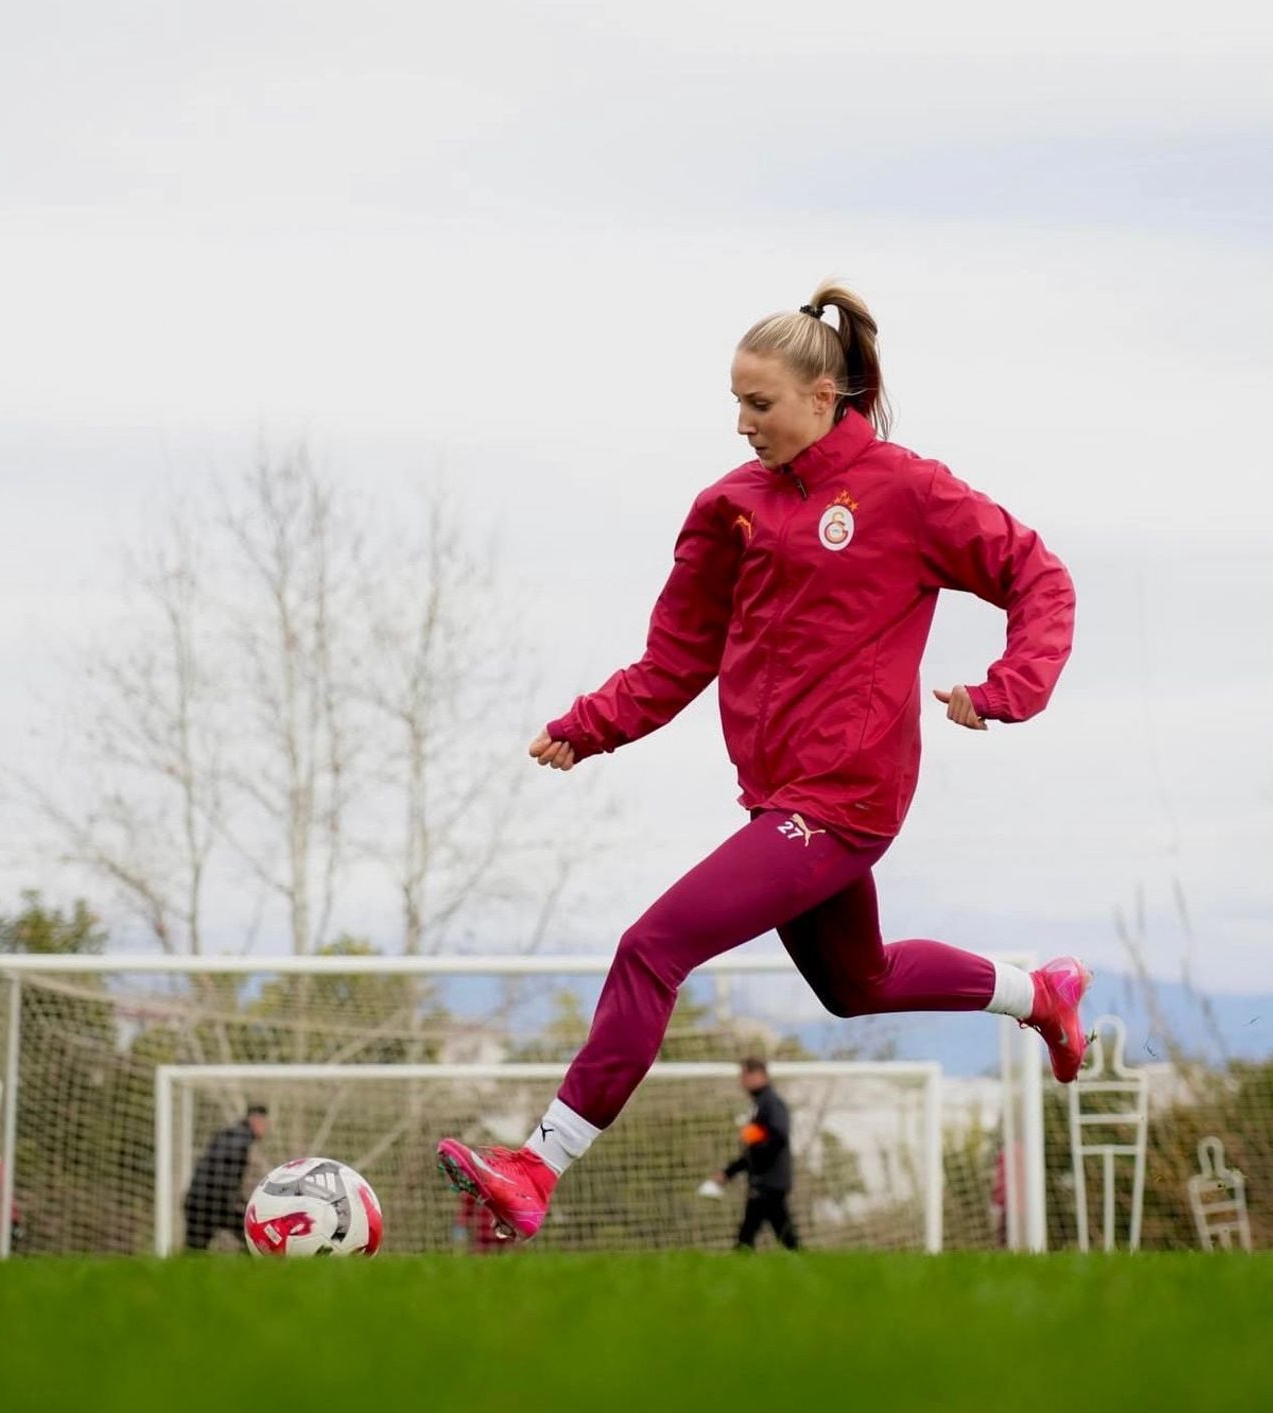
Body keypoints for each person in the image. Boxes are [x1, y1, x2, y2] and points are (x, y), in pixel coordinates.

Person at [437, 279, 1088, 1243]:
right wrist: (594, 723)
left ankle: (537, 1166)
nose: (743, 424)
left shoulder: (908, 492)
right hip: (777, 800)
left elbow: (1039, 576)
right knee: (854, 984)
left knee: (652, 947)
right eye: (736, 403)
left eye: (761, 403)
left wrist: (1006, 688)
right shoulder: (728, 508)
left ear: (825, 398)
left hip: (846, 798)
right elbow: (680, 654)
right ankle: (1040, 995)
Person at [712, 1058, 799, 1251]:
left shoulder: (771, 1103)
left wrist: (758, 1145)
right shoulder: (759, 1104)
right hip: (764, 1181)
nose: (741, 1082)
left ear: (758, 1075)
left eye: (744, 1076)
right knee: (780, 1233)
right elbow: (752, 1152)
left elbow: (778, 1136)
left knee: (750, 1233)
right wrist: (728, 1172)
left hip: (770, 1181)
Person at [183, 1103, 267, 1251]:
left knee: (193, 1253)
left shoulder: (231, 1135)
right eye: (264, 1123)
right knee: (255, 1237)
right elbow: (222, 1177)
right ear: (255, 1120)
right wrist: (236, 1202)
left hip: (198, 1201)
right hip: (210, 1203)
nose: (265, 1128)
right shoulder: (239, 1141)